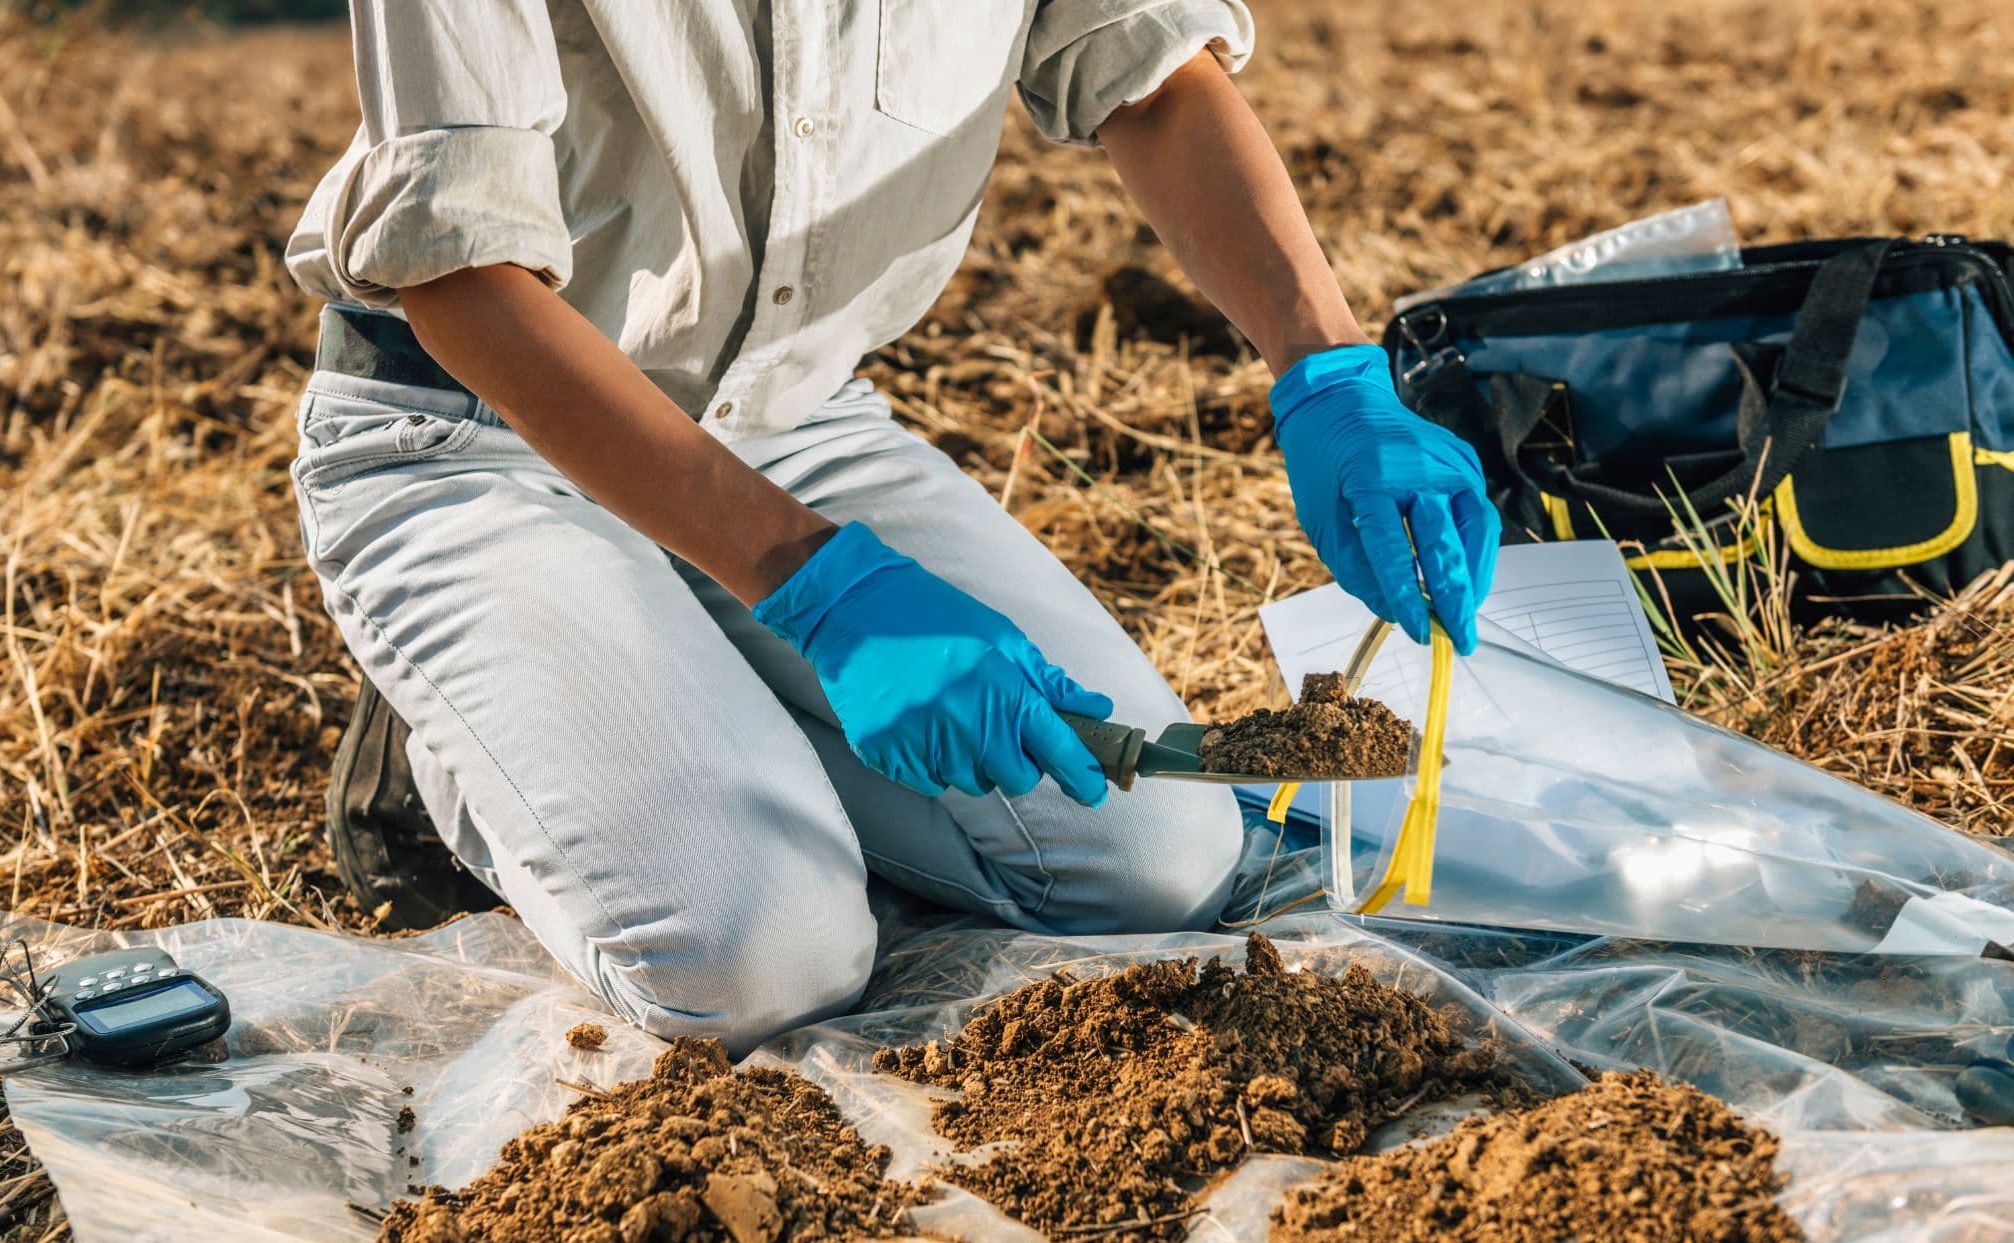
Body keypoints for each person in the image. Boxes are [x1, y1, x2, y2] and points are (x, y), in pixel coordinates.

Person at [286, 0, 1499, 1054]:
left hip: (787, 419)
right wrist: (824, 588)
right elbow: (459, 276)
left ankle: (686, 692)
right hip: (481, 435)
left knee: (1157, 858)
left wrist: (1329, 375)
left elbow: (1154, 73)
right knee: (759, 963)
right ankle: (451, 748)